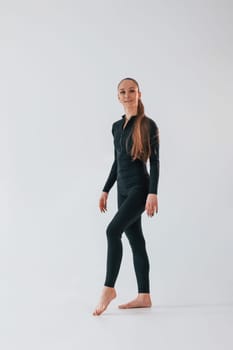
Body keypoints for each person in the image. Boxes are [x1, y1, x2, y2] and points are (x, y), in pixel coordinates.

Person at [93, 77, 160, 316]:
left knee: (112, 231)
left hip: (139, 189)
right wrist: (105, 189)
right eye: (123, 91)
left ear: (139, 94)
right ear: (118, 97)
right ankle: (144, 295)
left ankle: (108, 288)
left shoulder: (148, 125)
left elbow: (155, 161)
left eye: (132, 90)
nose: (127, 94)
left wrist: (153, 192)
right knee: (135, 238)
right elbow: (117, 161)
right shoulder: (115, 126)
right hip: (122, 189)